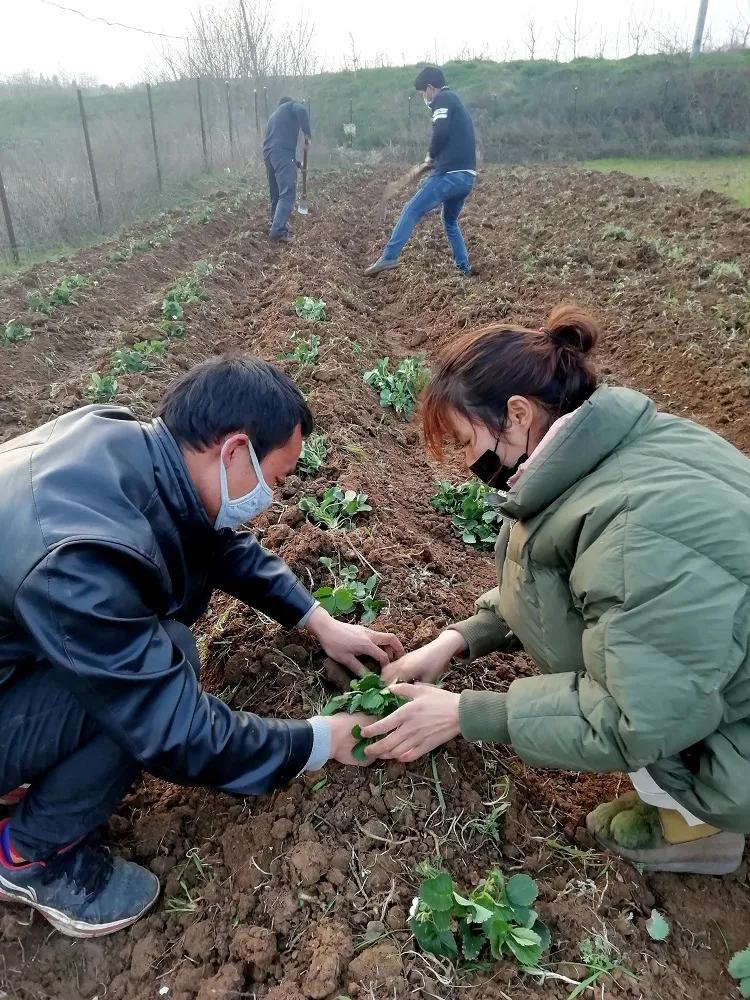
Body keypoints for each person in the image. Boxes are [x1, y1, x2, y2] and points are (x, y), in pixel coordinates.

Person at [0, 357, 401, 937]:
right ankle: (27, 856)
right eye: (277, 480)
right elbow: (173, 731)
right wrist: (320, 740)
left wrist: (319, 622)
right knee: (155, 672)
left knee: (163, 649)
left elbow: (216, 541)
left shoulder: (121, 440)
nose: (272, 499)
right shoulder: (79, 561)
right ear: (235, 451)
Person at [362, 305, 750, 876]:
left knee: (637, 700)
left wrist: (465, 714)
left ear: (517, 415)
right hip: (708, 678)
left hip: (714, 721)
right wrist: (452, 642)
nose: (469, 463)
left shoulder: (636, 530)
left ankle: (698, 828)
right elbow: (552, 585)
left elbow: (634, 714)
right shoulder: (604, 456)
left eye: (467, 442)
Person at [365, 66, 476, 277]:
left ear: (430, 88)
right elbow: (453, 138)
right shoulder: (455, 101)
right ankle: (463, 267)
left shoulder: (443, 99)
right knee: (450, 221)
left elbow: (441, 132)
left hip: (450, 175)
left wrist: (431, 156)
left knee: (411, 209)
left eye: (423, 93)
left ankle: (389, 257)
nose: (424, 98)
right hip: (467, 177)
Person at [262, 96, 311, 243]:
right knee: (287, 193)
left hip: (268, 155)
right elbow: (302, 109)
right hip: (281, 154)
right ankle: (278, 231)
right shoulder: (292, 106)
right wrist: (307, 135)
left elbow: (276, 146)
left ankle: (275, 222)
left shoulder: (273, 117)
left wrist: (296, 164)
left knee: (276, 193)